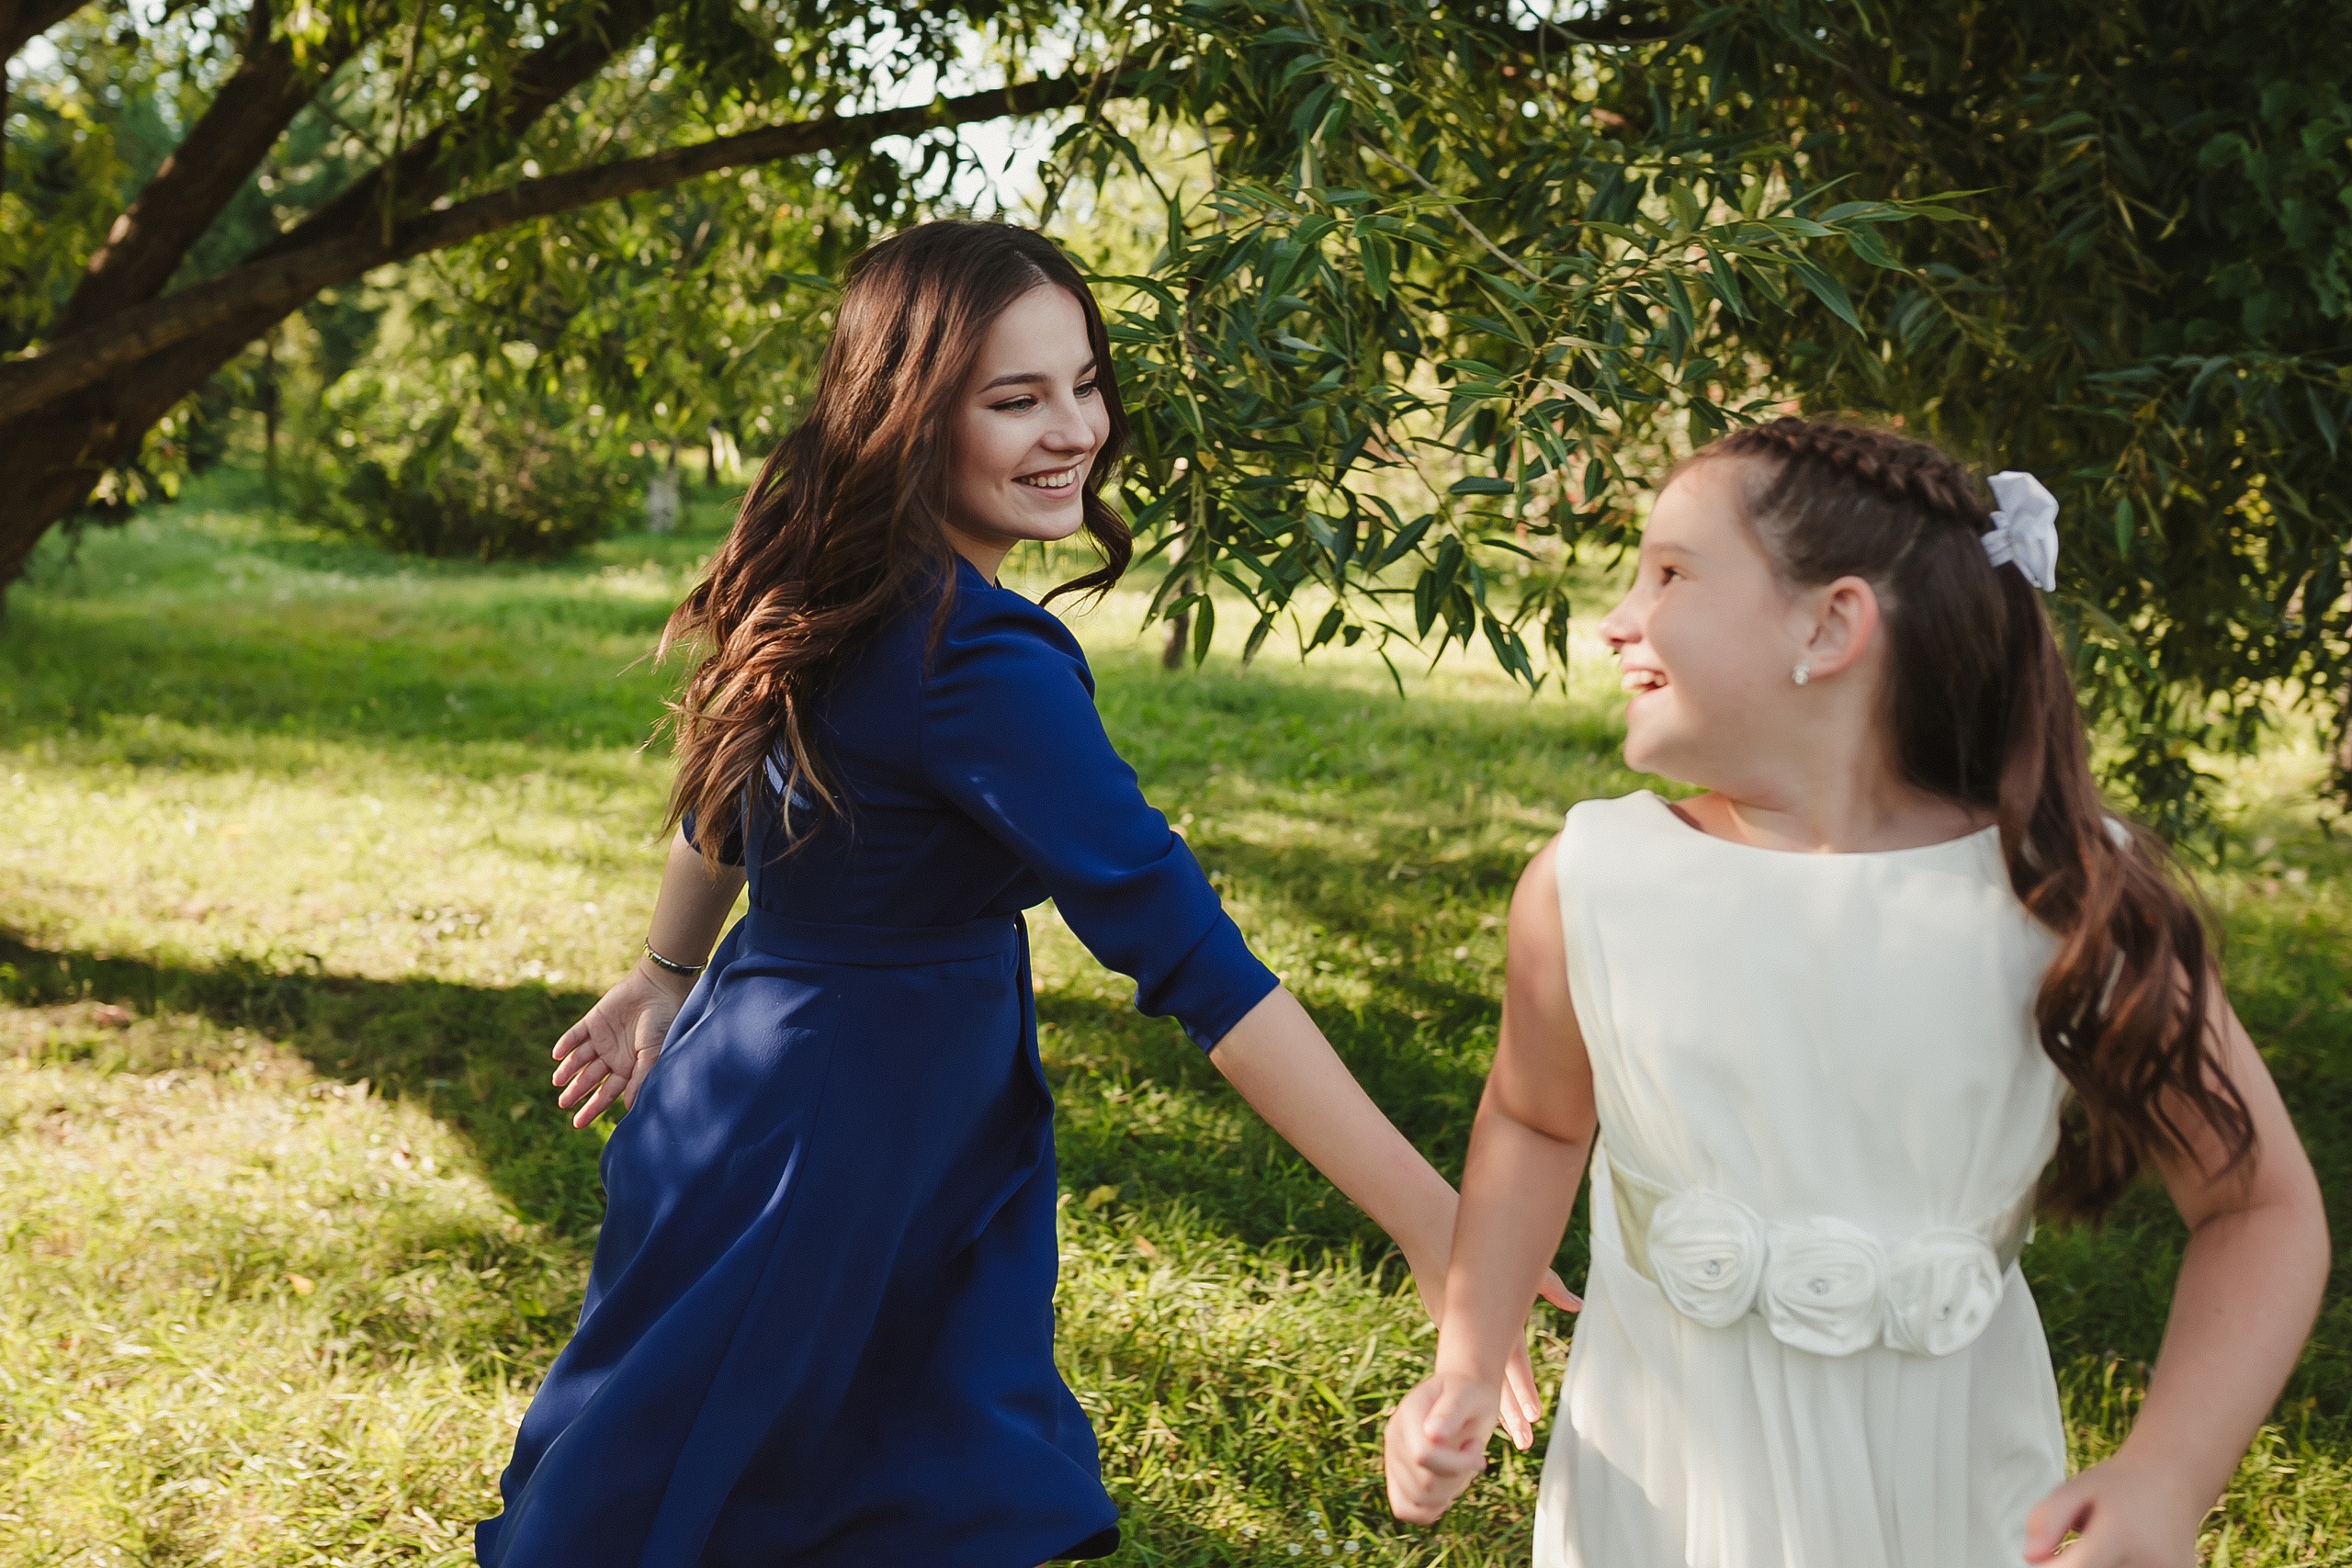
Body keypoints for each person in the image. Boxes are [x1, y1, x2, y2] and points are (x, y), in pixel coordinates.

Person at [472, 220, 1566, 1567]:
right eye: (1016, 398)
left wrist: (667, 974)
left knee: (782, 1494)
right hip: (839, 1142)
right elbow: (1194, 958)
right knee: (739, 1505)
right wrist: (1434, 1221)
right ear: (911, 412)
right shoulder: (972, 654)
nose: (1075, 430)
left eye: (1085, 382)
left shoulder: (837, 566)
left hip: (775, 1086)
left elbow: (728, 786)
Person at [1381, 418, 2331, 1566]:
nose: (1617, 620)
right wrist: (1469, 1361)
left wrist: (2167, 1475)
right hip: (1660, 1500)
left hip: (1948, 1499)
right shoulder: (1593, 883)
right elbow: (1536, 1120)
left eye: (1671, 574)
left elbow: (2258, 1208)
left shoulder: (2061, 899)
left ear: (1829, 625)